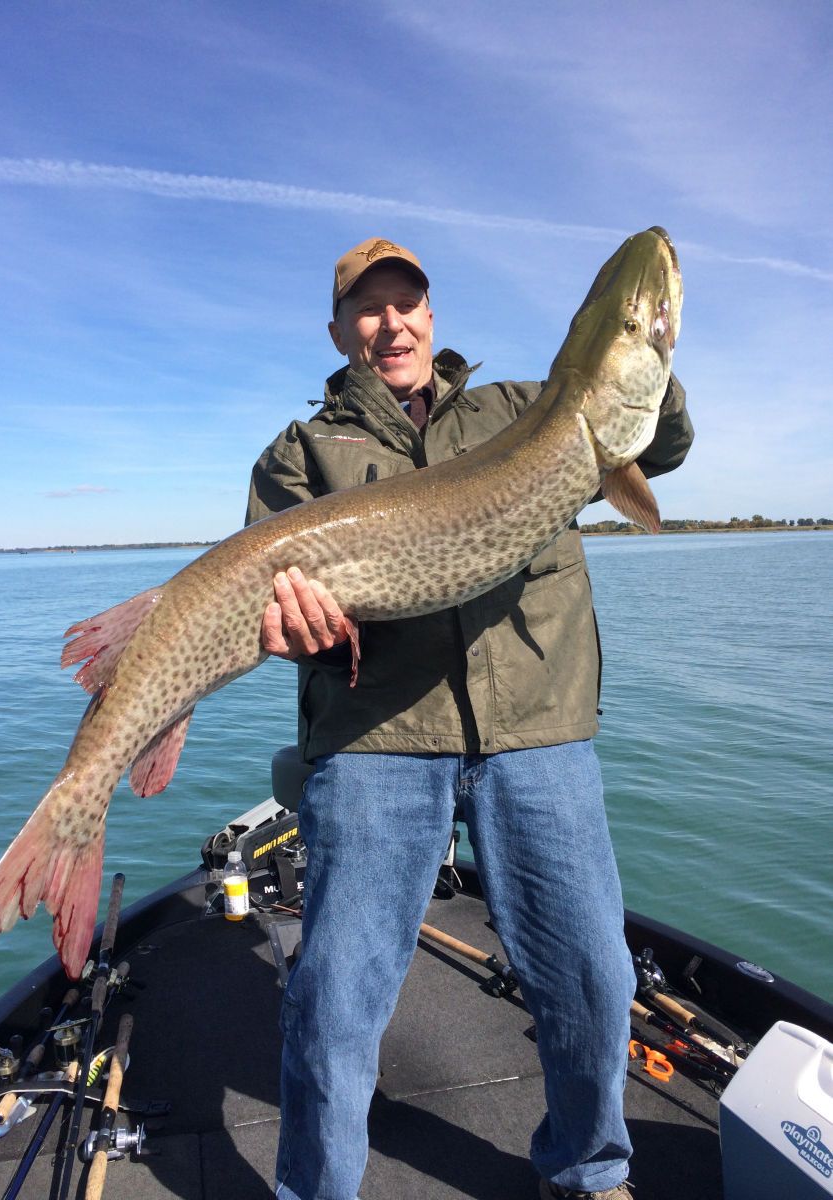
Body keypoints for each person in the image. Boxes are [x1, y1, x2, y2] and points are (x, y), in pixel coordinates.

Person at [246, 236, 694, 1200]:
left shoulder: (525, 410)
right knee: (335, 1000)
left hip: (536, 727)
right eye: (368, 308)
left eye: (406, 303)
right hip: (376, 740)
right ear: (338, 330)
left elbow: (658, 444)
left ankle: (589, 1170)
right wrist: (303, 632)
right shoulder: (299, 454)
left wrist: (653, 355)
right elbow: (282, 619)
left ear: (431, 316)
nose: (391, 323)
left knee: (593, 979)